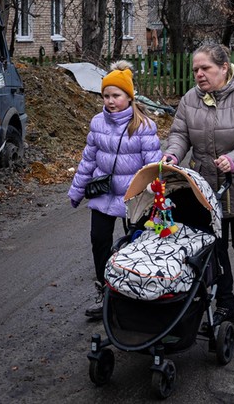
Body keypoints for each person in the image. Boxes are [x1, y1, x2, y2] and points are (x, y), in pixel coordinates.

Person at [162, 43, 234, 326]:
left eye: (205, 68)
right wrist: (172, 154)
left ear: (224, 67)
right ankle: (225, 305)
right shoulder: (189, 100)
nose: (199, 74)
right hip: (207, 190)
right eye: (195, 69)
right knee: (215, 252)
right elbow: (180, 134)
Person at [67, 60, 164, 320]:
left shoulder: (143, 126)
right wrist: (76, 191)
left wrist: (157, 200)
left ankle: (137, 294)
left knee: (135, 246)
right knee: (99, 241)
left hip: (134, 198)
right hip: (103, 195)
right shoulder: (98, 123)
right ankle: (105, 291)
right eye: (106, 95)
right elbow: (88, 160)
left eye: (116, 95)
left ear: (129, 97)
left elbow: (154, 167)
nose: (110, 101)